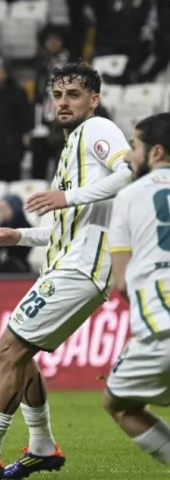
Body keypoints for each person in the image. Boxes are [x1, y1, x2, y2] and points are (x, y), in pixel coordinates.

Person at [0, 62, 133, 479]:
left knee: (7, 351)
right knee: (21, 354)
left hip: (82, 268)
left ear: (94, 100)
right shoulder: (72, 147)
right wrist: (22, 236)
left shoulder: (98, 129)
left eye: (74, 95)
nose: (63, 102)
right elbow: (73, 225)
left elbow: (129, 172)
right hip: (67, 261)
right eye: (58, 95)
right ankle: (43, 447)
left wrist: (69, 198)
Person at [106, 112, 170, 466]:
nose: (128, 155)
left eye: (134, 146)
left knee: (118, 405)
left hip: (160, 327)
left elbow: (121, 283)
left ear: (156, 152)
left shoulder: (129, 196)